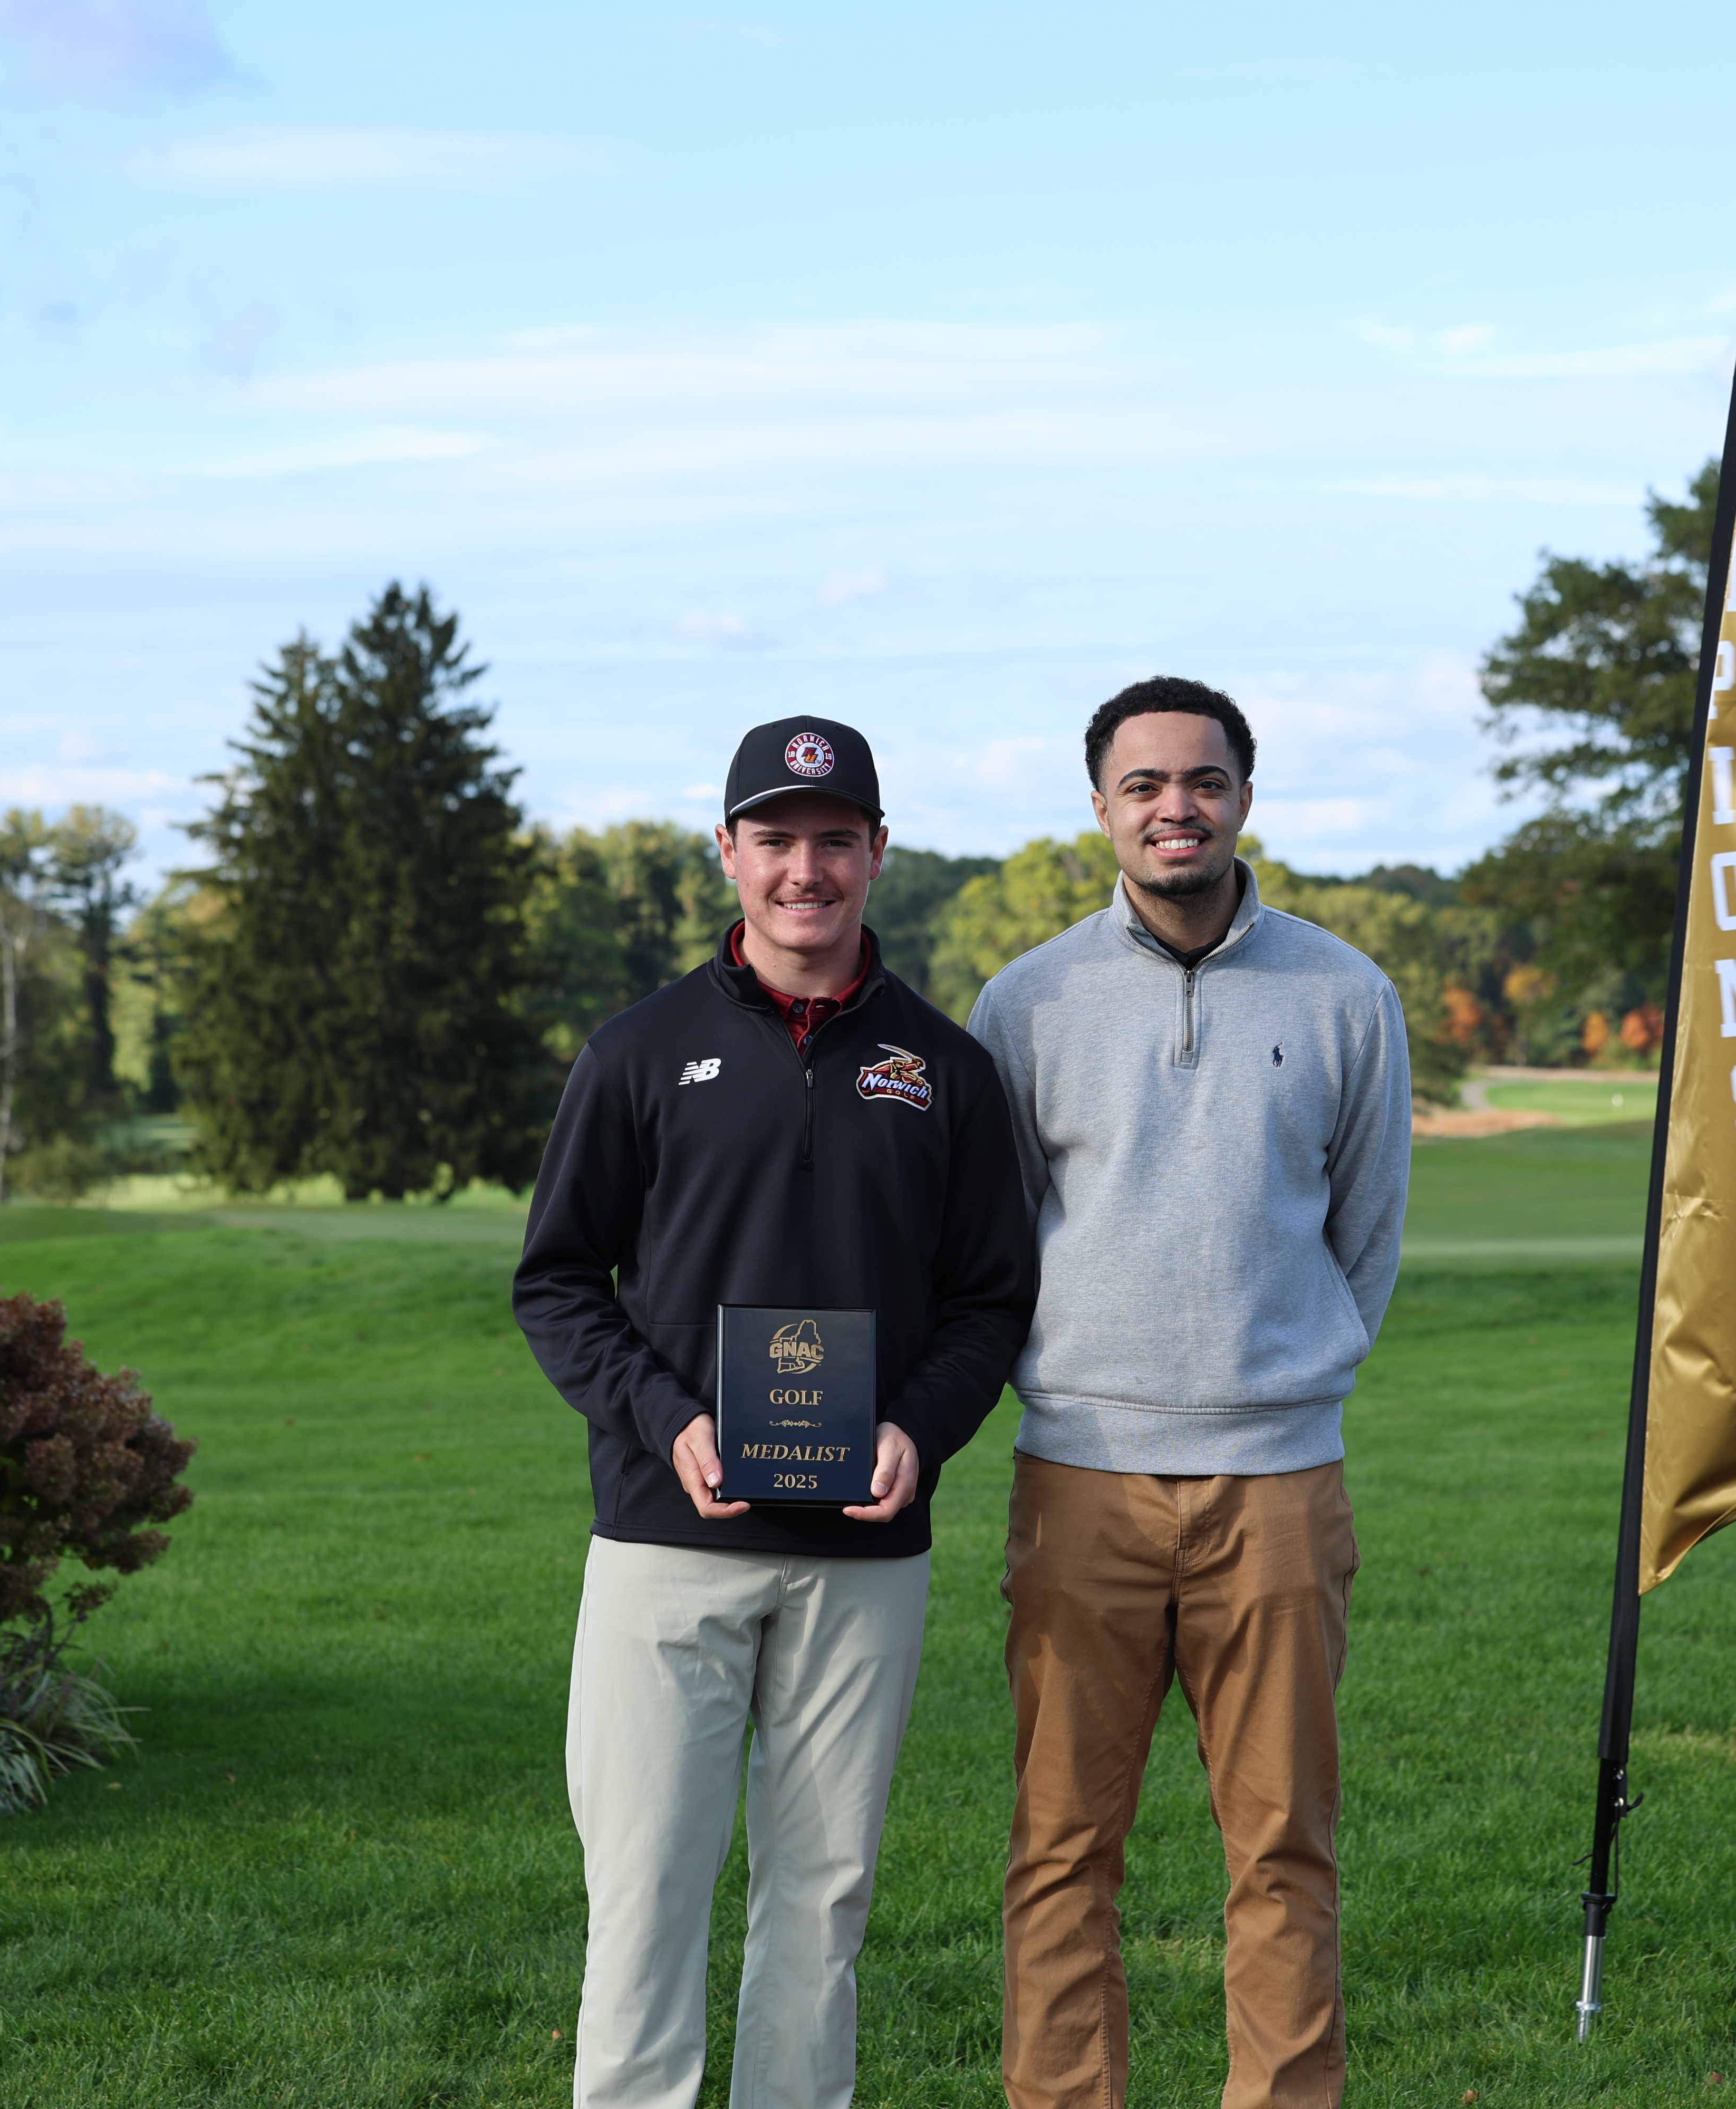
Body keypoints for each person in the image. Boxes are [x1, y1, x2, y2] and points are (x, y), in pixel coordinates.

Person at [515, 716, 1038, 2109]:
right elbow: (560, 1281)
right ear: (729, 854)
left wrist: (918, 1430)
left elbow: (993, 1299)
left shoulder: (943, 1068)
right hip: (665, 1538)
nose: (805, 869)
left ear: (877, 851)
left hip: (863, 1556)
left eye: (833, 840)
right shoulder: (640, 1051)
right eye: (776, 839)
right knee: (644, 1893)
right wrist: (661, 1417)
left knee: (822, 1907)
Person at [967, 676, 1412, 2109]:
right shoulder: (1025, 1002)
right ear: (1101, 806)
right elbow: (1002, 1236)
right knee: (1059, 1851)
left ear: (1244, 797)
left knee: (1282, 1853)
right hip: (1080, 1478)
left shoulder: (1347, 994)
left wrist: (1284, 1373)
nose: (1177, 807)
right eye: (1145, 784)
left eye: (1204, 781)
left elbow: (1368, 1233)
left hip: (1279, 1485)